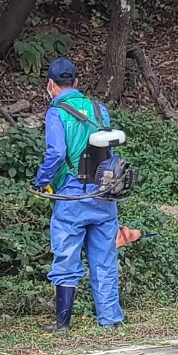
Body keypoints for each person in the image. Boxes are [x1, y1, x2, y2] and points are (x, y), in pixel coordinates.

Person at [33, 57, 124, 331]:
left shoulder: (56, 112)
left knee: (66, 257)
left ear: (50, 85)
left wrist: (41, 181)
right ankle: (111, 320)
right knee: (105, 259)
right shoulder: (99, 109)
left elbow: (56, 153)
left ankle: (63, 324)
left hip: (72, 196)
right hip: (105, 193)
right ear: (76, 82)